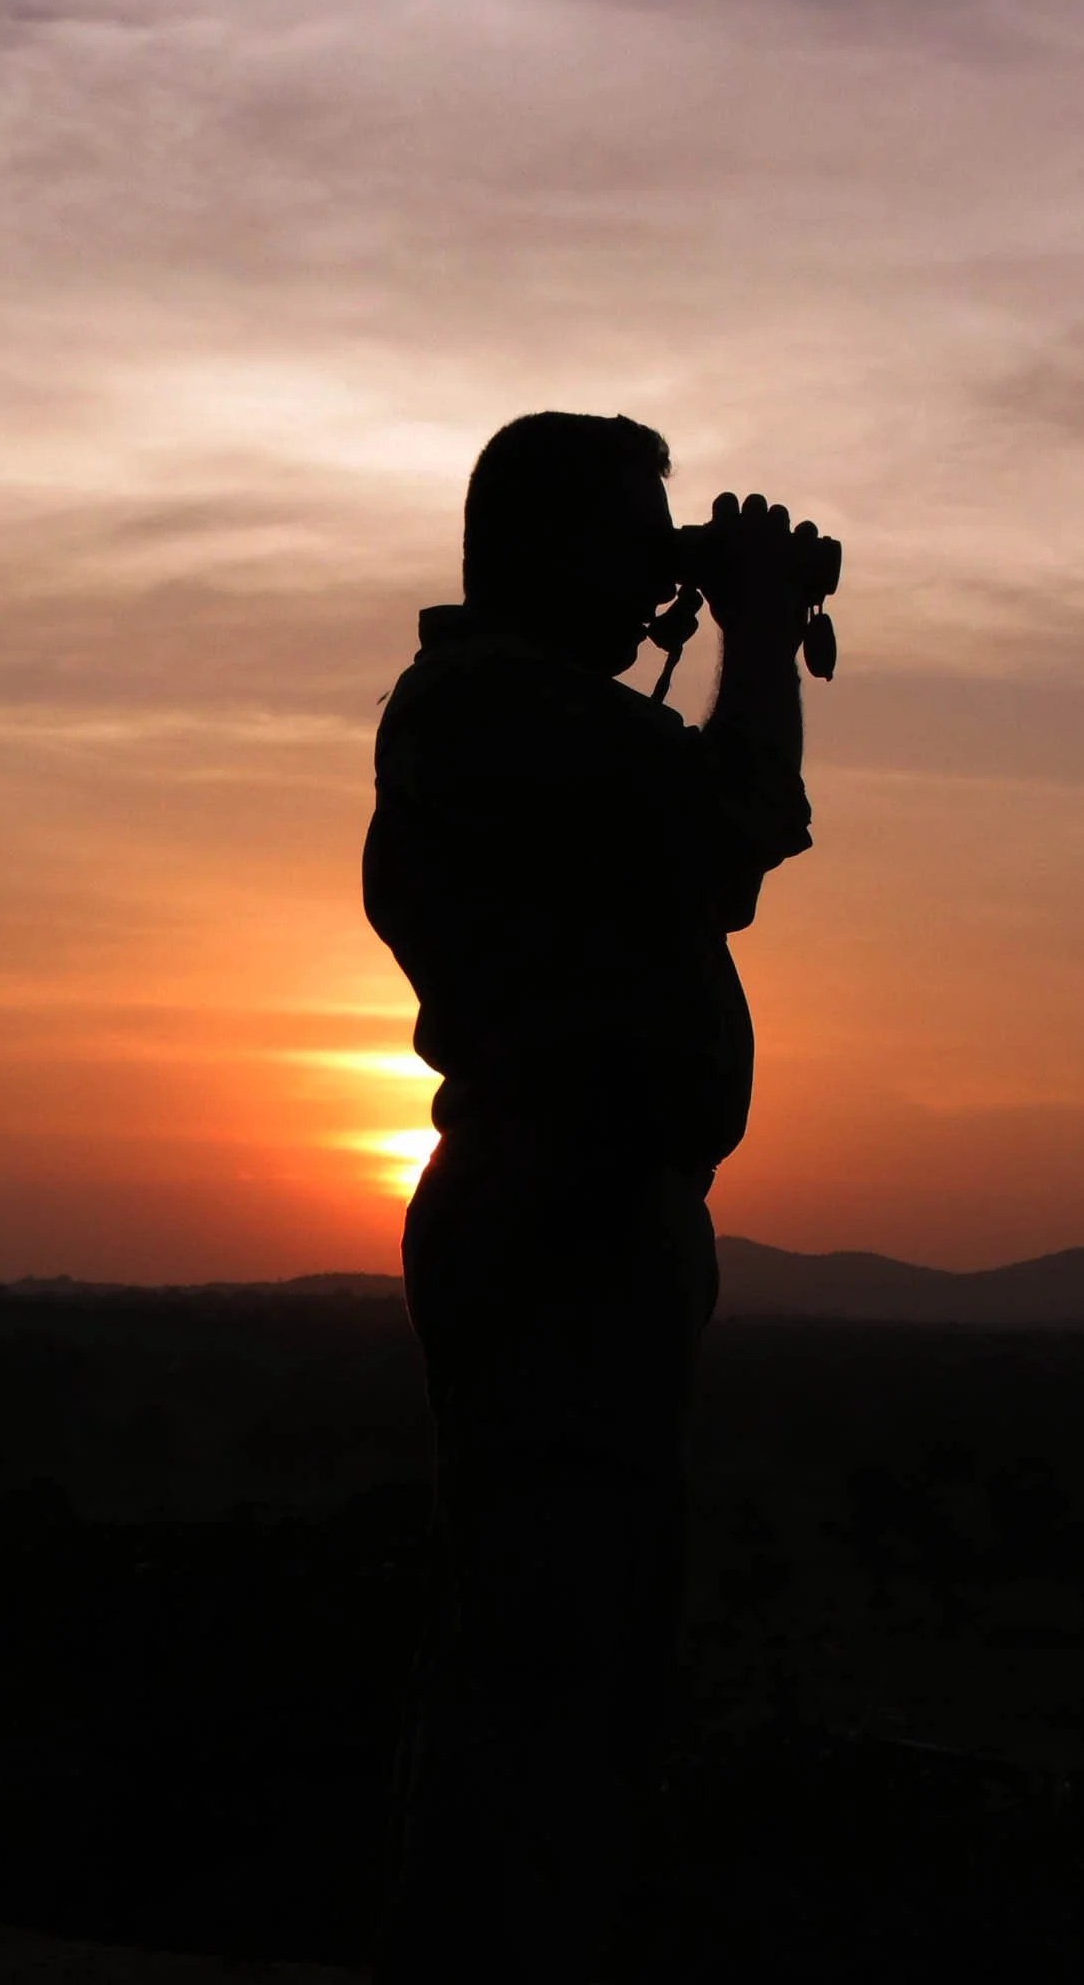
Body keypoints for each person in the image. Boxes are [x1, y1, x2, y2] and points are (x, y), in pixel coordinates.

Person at [363, 411, 815, 1984]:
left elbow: (685, 845)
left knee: (572, 1632)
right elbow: (738, 823)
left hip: (582, 1210)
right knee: (550, 1640)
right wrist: (752, 635)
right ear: (542, 545)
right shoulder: (493, 708)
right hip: (559, 1219)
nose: (650, 569)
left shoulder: (516, 713)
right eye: (634, 533)